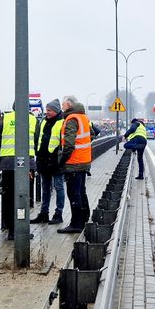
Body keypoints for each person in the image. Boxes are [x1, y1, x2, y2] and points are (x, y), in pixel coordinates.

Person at [0, 104, 38, 240]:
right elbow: (36, 141)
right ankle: (23, 229)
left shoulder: (5, 119)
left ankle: (11, 230)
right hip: (27, 164)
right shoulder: (33, 120)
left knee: (9, 197)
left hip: (8, 164)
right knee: (24, 197)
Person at [57, 96, 93, 234]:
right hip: (83, 161)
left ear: (69, 104)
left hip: (74, 162)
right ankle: (84, 217)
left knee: (73, 193)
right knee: (81, 191)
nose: (62, 107)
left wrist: (62, 161)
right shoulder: (83, 117)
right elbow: (92, 134)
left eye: (63, 104)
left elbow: (69, 145)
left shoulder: (71, 119)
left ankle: (76, 223)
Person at [31, 99, 66, 224]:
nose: (47, 112)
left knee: (58, 187)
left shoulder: (62, 122)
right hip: (43, 160)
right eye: (47, 110)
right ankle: (44, 213)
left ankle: (58, 213)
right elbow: (39, 139)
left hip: (56, 160)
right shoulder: (43, 122)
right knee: (45, 188)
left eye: (49, 110)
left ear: (56, 111)